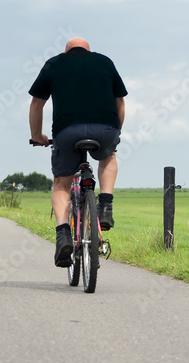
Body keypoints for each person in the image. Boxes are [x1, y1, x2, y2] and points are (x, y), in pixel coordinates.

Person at [28, 37, 127, 267]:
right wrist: (115, 132)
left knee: (61, 185)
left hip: (66, 132)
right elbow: (120, 102)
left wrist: (37, 135)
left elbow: (36, 103)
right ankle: (105, 205)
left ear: (66, 51)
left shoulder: (54, 63)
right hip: (105, 129)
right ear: (88, 51)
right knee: (108, 157)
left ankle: (63, 234)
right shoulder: (105, 62)